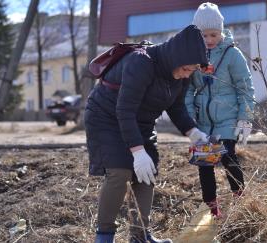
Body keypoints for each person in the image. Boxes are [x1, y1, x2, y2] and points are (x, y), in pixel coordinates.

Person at [85, 25, 209, 243]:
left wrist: (193, 132)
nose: (187, 75)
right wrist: (137, 151)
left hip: (140, 121)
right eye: (187, 69)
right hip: (106, 117)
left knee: (147, 174)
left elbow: (177, 107)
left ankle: (140, 237)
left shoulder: (182, 73)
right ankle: (104, 236)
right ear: (176, 58)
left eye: (192, 70)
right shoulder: (141, 62)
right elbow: (124, 110)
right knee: (119, 172)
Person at [185, 2, 255, 218]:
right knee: (205, 166)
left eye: (213, 35)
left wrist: (245, 119)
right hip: (203, 123)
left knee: (229, 159)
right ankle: (213, 209)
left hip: (228, 119)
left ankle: (240, 200)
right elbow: (187, 89)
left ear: (221, 31)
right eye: (204, 36)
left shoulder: (232, 55)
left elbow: (245, 88)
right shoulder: (194, 57)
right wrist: (189, 120)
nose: (209, 41)